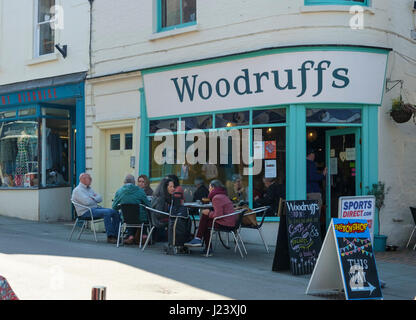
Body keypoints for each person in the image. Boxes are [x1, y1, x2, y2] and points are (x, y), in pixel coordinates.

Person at [185, 180, 236, 254]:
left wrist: (209, 213)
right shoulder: (223, 196)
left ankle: (200, 241)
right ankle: (205, 246)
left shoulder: (216, 198)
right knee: (206, 220)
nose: (208, 190)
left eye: (209, 187)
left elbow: (218, 215)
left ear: (213, 187)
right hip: (230, 222)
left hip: (225, 224)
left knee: (205, 219)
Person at [71, 173, 121, 244]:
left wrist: (92, 198)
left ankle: (116, 236)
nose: (91, 180)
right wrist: (94, 198)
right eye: (90, 178)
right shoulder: (78, 190)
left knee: (114, 212)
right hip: (85, 212)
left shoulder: (89, 189)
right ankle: (110, 236)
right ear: (83, 179)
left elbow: (100, 198)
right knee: (107, 212)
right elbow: (86, 202)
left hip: (95, 208)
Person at [112, 174, 150, 244]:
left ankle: (130, 236)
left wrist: (123, 206)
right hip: (140, 218)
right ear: (134, 182)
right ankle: (144, 235)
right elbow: (148, 205)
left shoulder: (119, 191)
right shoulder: (140, 191)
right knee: (143, 214)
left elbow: (114, 207)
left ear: (124, 182)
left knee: (128, 215)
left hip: (126, 218)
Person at [150, 177, 176, 242]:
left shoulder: (162, 196)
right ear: (165, 187)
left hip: (157, 220)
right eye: (171, 187)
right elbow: (159, 214)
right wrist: (170, 214)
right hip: (158, 221)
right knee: (178, 220)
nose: (173, 188)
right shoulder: (161, 198)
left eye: (173, 186)